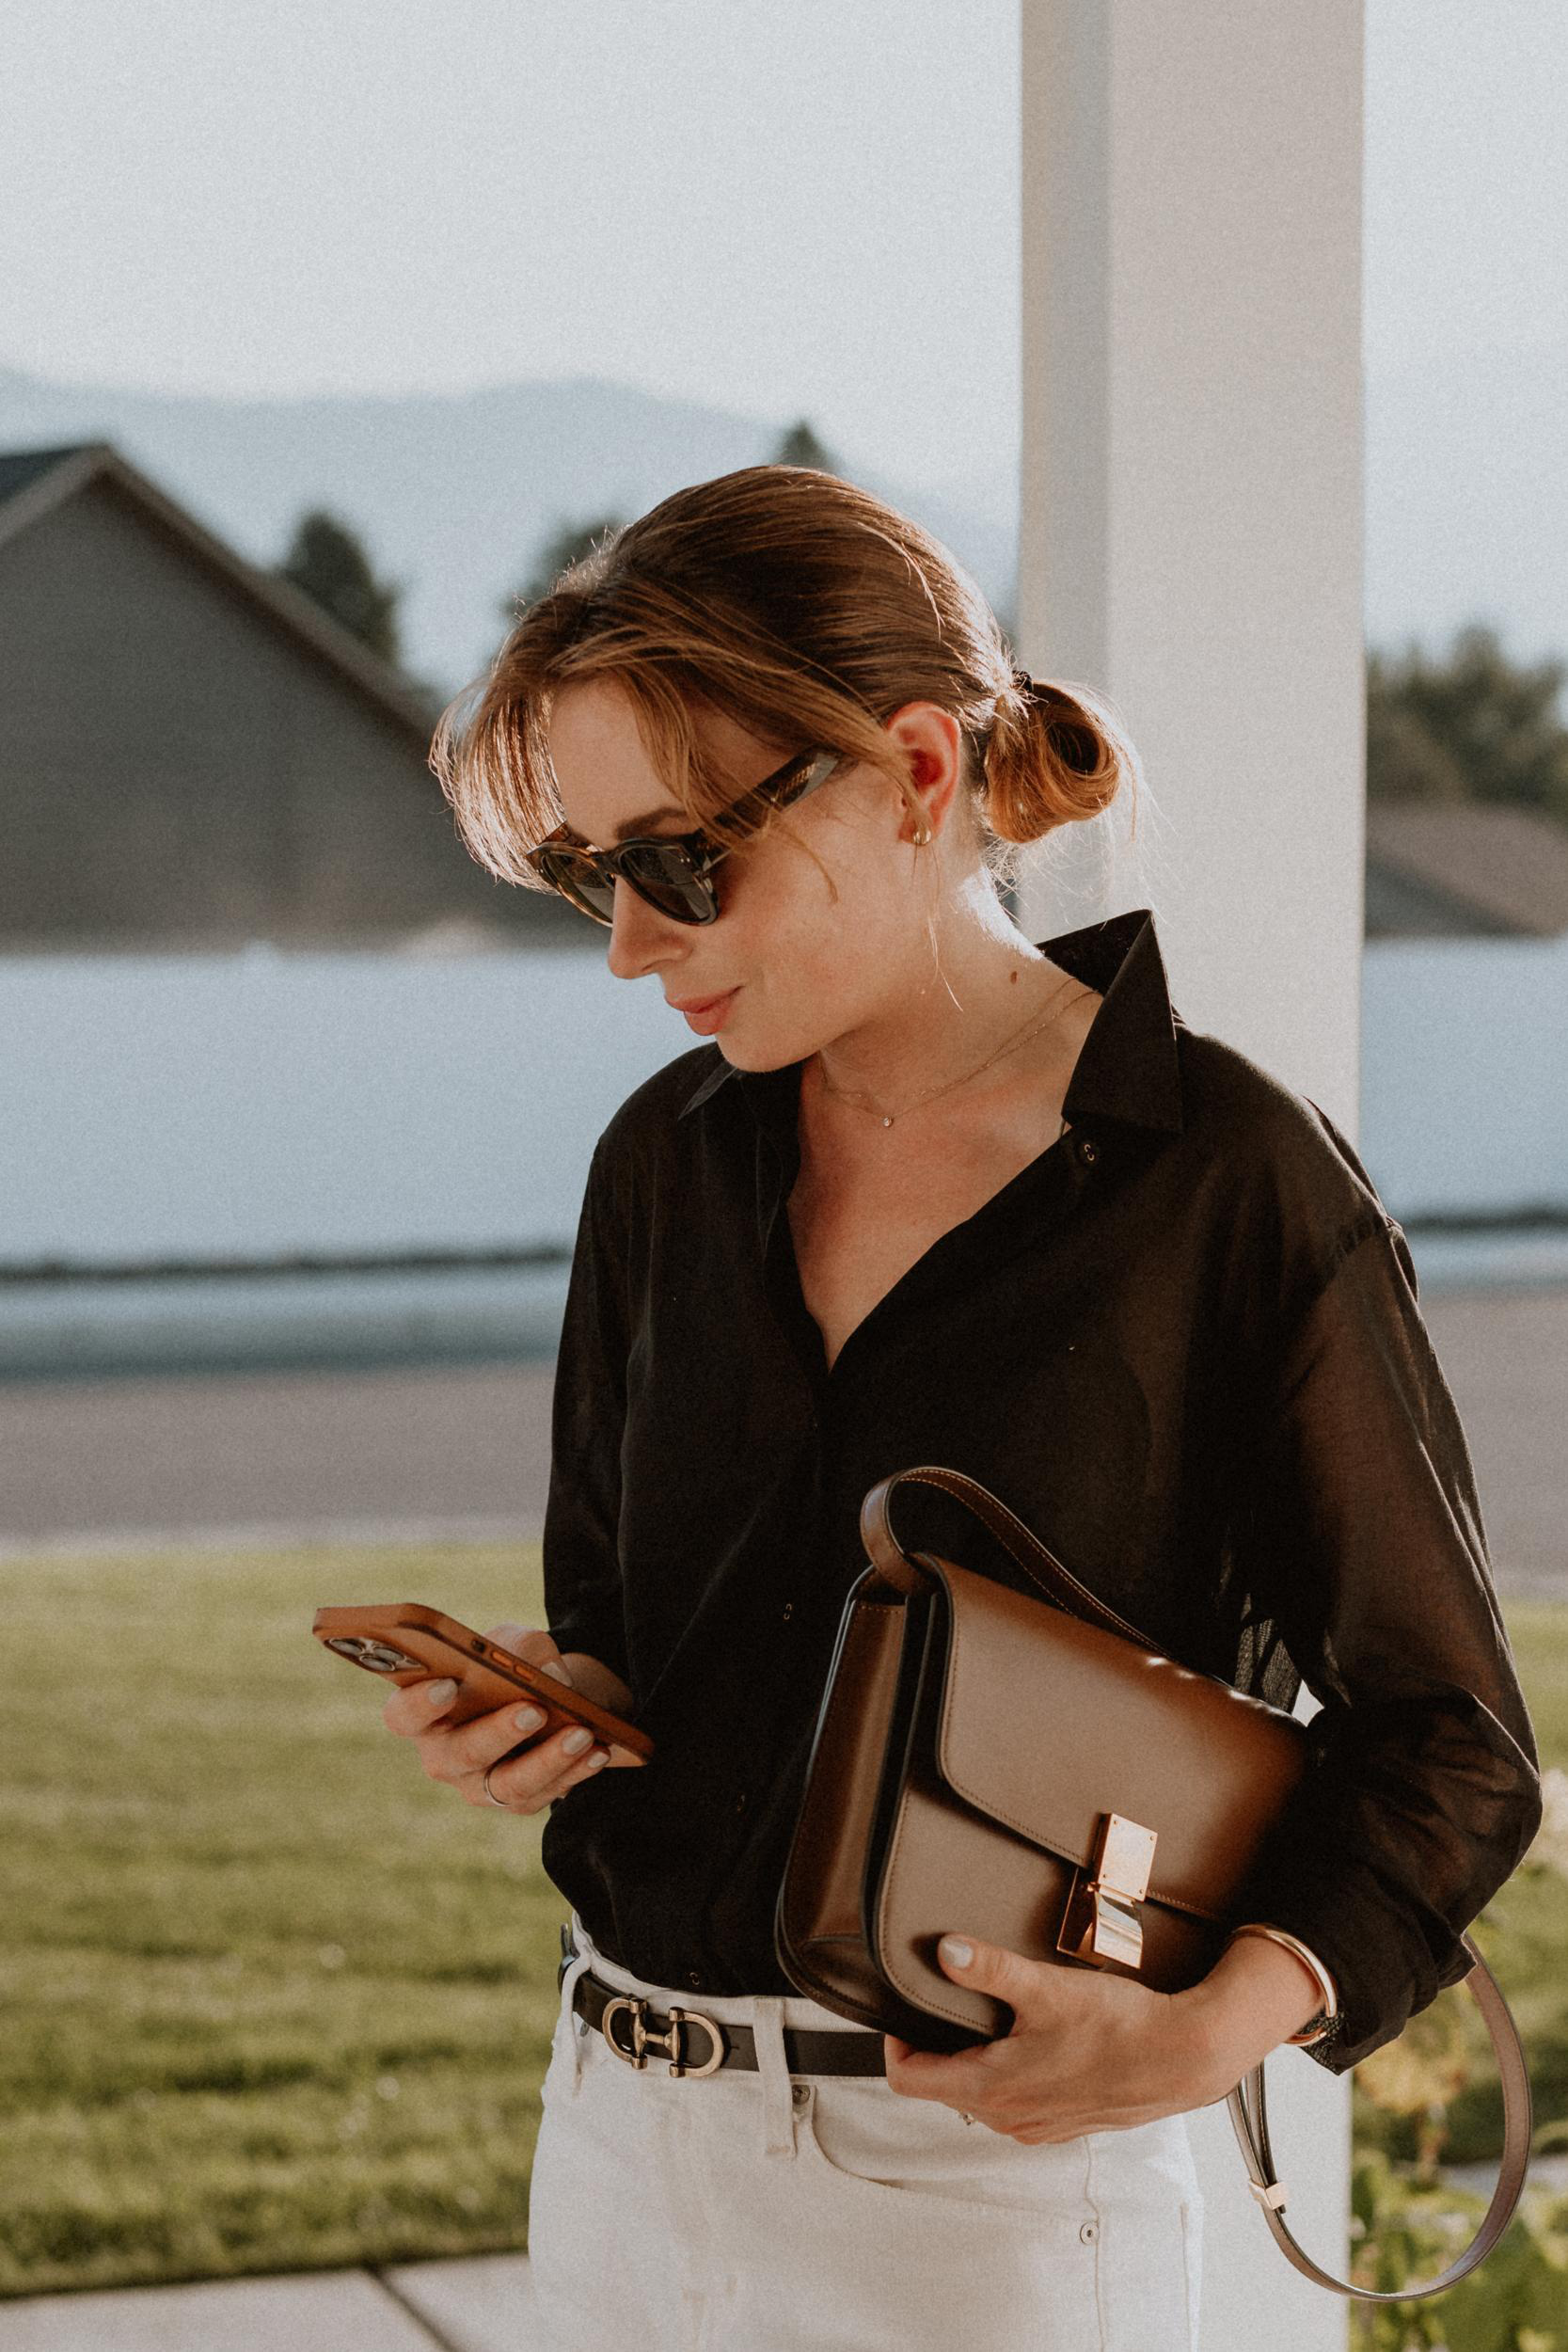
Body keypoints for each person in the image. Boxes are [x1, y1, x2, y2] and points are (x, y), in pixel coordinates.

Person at [382, 464, 1543, 2350]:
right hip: (610, 2140)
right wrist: (547, 1707)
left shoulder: (1224, 1184)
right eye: (593, 874)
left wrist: (1198, 2031)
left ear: (916, 773)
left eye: (681, 862)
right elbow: (634, 1632)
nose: (627, 944)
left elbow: (1447, 1741)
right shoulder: (661, 1167)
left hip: (989, 2200)